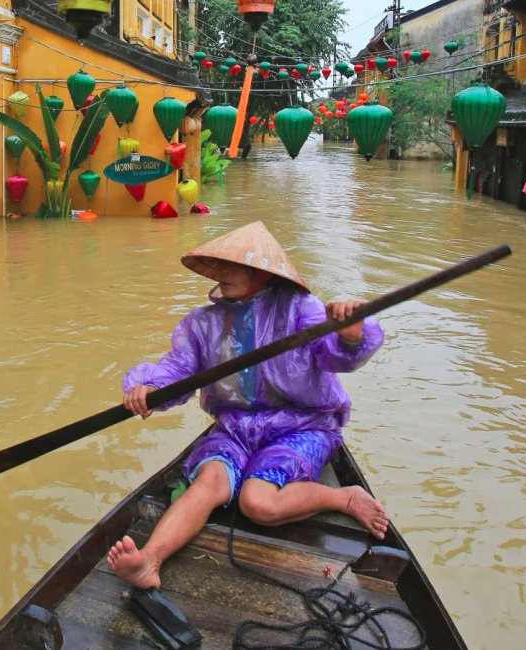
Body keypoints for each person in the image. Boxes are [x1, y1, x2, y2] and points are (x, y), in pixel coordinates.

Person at [106, 221, 388, 590]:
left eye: (232, 265)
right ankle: (149, 560)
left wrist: (351, 336)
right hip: (235, 429)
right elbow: (177, 372)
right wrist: (148, 387)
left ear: (260, 273)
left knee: (258, 503)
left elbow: (335, 357)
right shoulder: (203, 323)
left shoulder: (299, 309)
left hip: (301, 426)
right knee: (208, 483)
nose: (222, 272)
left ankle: (344, 497)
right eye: (219, 265)